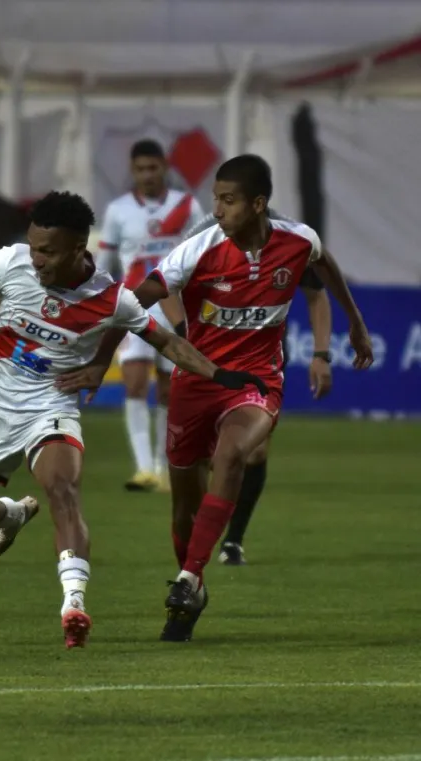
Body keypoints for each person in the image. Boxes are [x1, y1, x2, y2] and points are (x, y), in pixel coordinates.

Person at [0, 190, 267, 649]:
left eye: (47, 252)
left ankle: (74, 604)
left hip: (52, 407)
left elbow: (167, 342)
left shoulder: (112, 299)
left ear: (77, 248)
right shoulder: (11, 262)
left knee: (63, 491)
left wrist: (219, 374)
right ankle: (11, 513)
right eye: (34, 247)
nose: (37, 259)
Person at [57, 155, 373, 642]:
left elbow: (325, 265)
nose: (218, 210)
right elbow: (135, 300)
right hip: (195, 383)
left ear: (258, 204)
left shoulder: (297, 241)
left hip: (256, 381)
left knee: (232, 454)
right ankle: (195, 583)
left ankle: (188, 577)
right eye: (216, 200)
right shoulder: (198, 249)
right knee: (184, 507)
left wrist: (354, 323)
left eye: (228, 200)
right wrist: (102, 360)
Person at [178, 209, 335, 566]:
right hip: (208, 357)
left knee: (256, 452)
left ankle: (233, 540)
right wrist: (180, 334)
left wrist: (321, 354)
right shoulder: (203, 234)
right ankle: (196, 531)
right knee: (206, 455)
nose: (225, 207)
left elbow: (316, 294)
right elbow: (168, 284)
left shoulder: (288, 238)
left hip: (262, 360)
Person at [97, 140, 207, 493]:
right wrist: (99, 300)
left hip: (175, 305)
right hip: (134, 304)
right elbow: (105, 262)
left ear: (164, 167)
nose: (147, 175)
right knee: (134, 383)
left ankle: (164, 467)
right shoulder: (118, 211)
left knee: (168, 389)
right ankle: (144, 469)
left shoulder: (187, 206)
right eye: (141, 169)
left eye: (153, 168)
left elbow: (204, 253)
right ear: (133, 171)